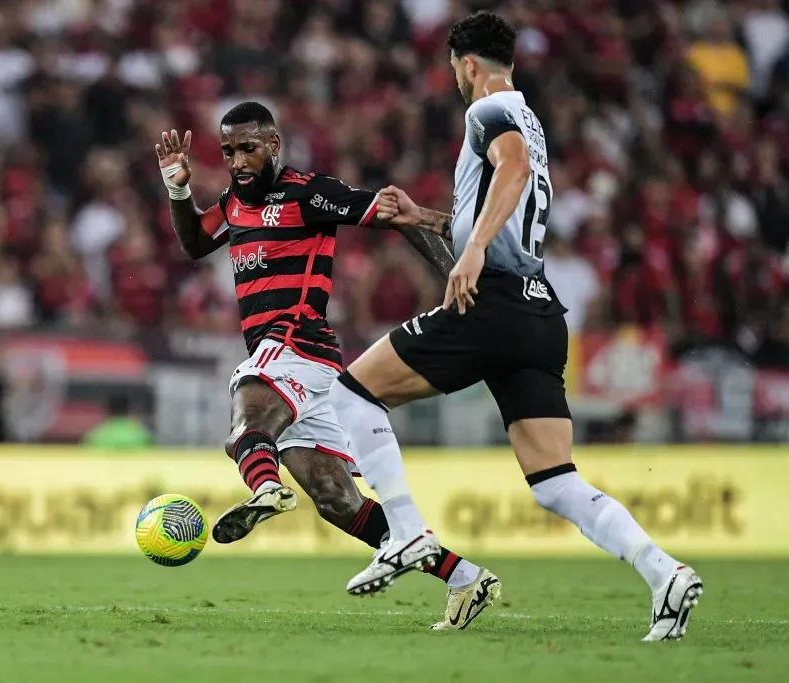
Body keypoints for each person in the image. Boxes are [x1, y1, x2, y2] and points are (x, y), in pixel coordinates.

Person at [327, 11, 703, 641]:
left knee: (351, 393)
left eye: (453, 69)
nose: (453, 79)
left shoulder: (488, 112)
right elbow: (501, 199)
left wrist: (471, 252)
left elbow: (513, 170)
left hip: (493, 307)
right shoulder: (530, 117)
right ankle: (663, 572)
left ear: (468, 66)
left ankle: (407, 531)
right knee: (555, 482)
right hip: (536, 310)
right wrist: (426, 219)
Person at [157, 101, 492, 630]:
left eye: (247, 148)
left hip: (297, 342)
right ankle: (463, 576)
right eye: (228, 152)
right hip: (304, 366)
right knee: (338, 501)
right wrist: (178, 188)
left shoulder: (309, 191)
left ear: (273, 144)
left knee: (244, 422)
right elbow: (197, 242)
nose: (238, 161)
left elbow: (394, 214)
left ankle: (265, 488)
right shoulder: (234, 203)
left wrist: (456, 279)